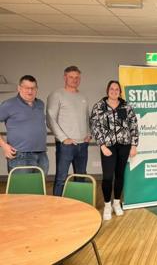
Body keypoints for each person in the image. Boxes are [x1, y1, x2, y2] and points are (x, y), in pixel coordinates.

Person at [90, 80, 139, 220]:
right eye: (111, 89)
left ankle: (116, 203)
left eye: (117, 89)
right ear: (107, 91)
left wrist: (134, 145)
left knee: (119, 176)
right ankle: (107, 205)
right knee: (107, 177)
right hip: (108, 146)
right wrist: (102, 145)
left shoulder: (126, 106)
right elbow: (94, 126)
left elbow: (133, 125)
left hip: (124, 145)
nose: (114, 91)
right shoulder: (99, 106)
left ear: (120, 92)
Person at [47, 66, 90, 196]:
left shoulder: (83, 96)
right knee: (61, 178)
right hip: (66, 145)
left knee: (81, 177)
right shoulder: (57, 95)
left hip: (83, 145)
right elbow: (50, 119)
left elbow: (86, 117)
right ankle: (57, 206)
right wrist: (63, 139)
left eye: (77, 77)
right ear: (65, 77)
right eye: (71, 77)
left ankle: (80, 205)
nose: (74, 80)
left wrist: (88, 134)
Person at [0, 75, 48, 175]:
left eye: (33, 88)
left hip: (41, 155)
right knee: (21, 189)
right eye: (26, 88)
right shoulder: (9, 104)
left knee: (39, 188)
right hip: (20, 156)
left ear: (36, 89)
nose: (30, 91)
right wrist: (4, 145)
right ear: (19, 88)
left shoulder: (40, 104)